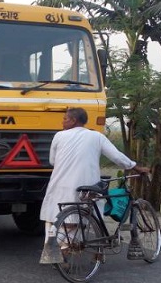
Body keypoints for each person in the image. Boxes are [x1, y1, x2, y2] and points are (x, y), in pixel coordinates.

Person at [39, 107, 150, 263]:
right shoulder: (96, 136)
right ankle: (97, 249)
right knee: (91, 213)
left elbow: (52, 161)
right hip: (86, 184)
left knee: (56, 216)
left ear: (73, 120)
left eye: (65, 118)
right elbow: (117, 157)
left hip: (59, 184)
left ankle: (60, 248)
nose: (62, 121)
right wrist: (136, 167)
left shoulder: (59, 136)